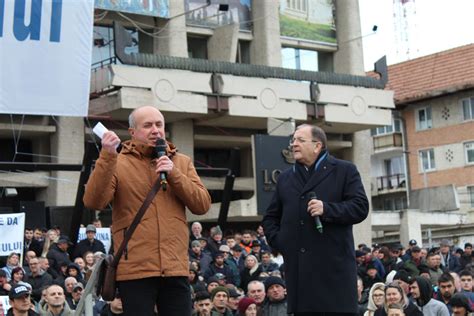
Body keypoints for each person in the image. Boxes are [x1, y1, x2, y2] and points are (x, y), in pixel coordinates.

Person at [83, 105, 211, 315]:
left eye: (159, 125)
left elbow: (202, 204)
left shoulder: (181, 161)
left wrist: (174, 174)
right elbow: (94, 201)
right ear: (132, 132)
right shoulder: (118, 162)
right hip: (135, 269)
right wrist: (107, 156)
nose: (155, 130)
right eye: (148, 125)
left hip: (175, 267)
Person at [262, 124, 369, 315]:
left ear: (317, 145)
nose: (294, 144)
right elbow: (270, 217)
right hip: (300, 276)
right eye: (293, 140)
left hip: (334, 275)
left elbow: (360, 207)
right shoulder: (286, 178)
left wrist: (327, 209)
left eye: (300, 140)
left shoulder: (344, 170)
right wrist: (282, 242)